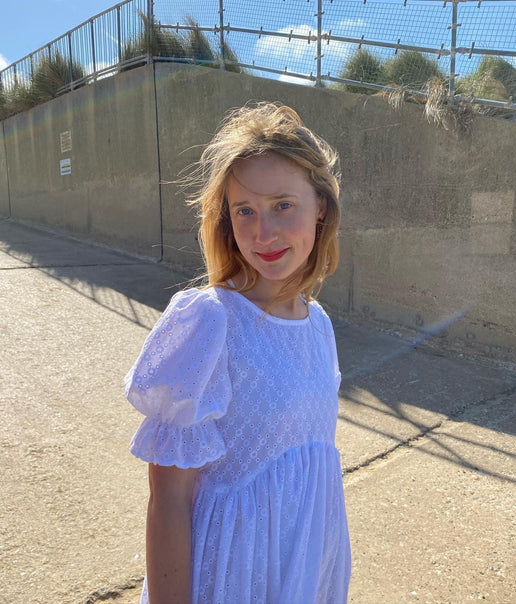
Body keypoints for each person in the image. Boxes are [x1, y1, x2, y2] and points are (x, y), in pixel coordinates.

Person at [124, 102, 351, 604]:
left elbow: (309, 479)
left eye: (282, 205)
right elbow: (169, 501)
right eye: (244, 211)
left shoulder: (319, 326)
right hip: (229, 578)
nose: (262, 232)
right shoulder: (211, 322)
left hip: (306, 568)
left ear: (320, 207)